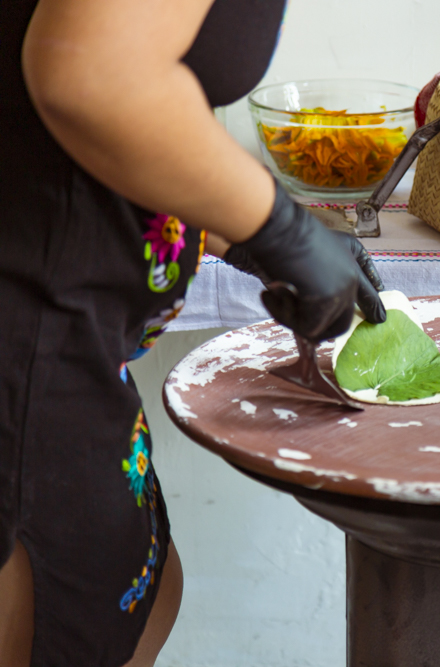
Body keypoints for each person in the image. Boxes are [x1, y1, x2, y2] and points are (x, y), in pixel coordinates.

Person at [0, 0, 386, 664]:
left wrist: (243, 226)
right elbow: (86, 69)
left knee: (144, 591)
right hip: (27, 340)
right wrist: (276, 227)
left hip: (72, 338)